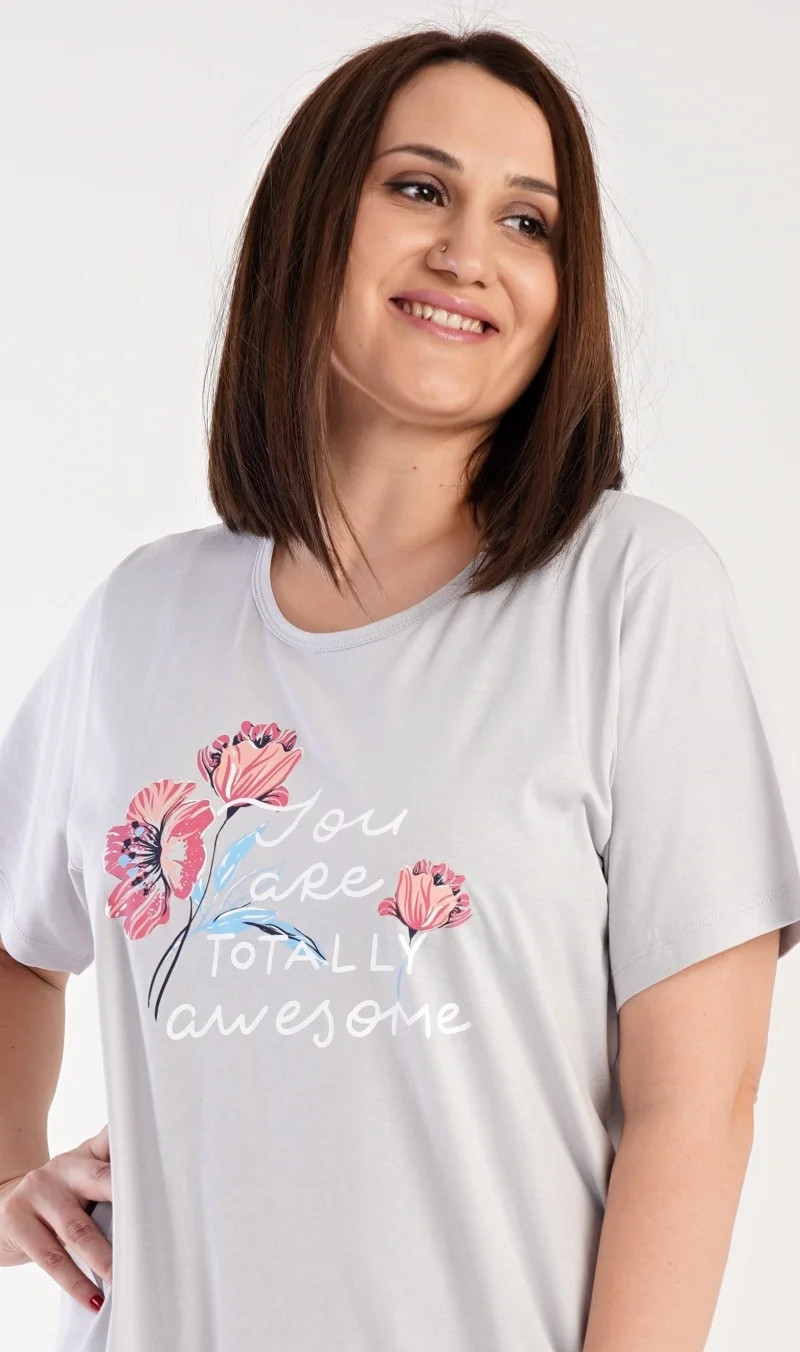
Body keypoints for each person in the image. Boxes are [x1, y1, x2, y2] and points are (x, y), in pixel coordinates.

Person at [1, 24, 798, 1352]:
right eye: (420, 188)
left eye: (529, 221)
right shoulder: (145, 617)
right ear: (312, 222)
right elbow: (15, 940)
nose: (468, 252)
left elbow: (695, 1110)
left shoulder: (631, 595)